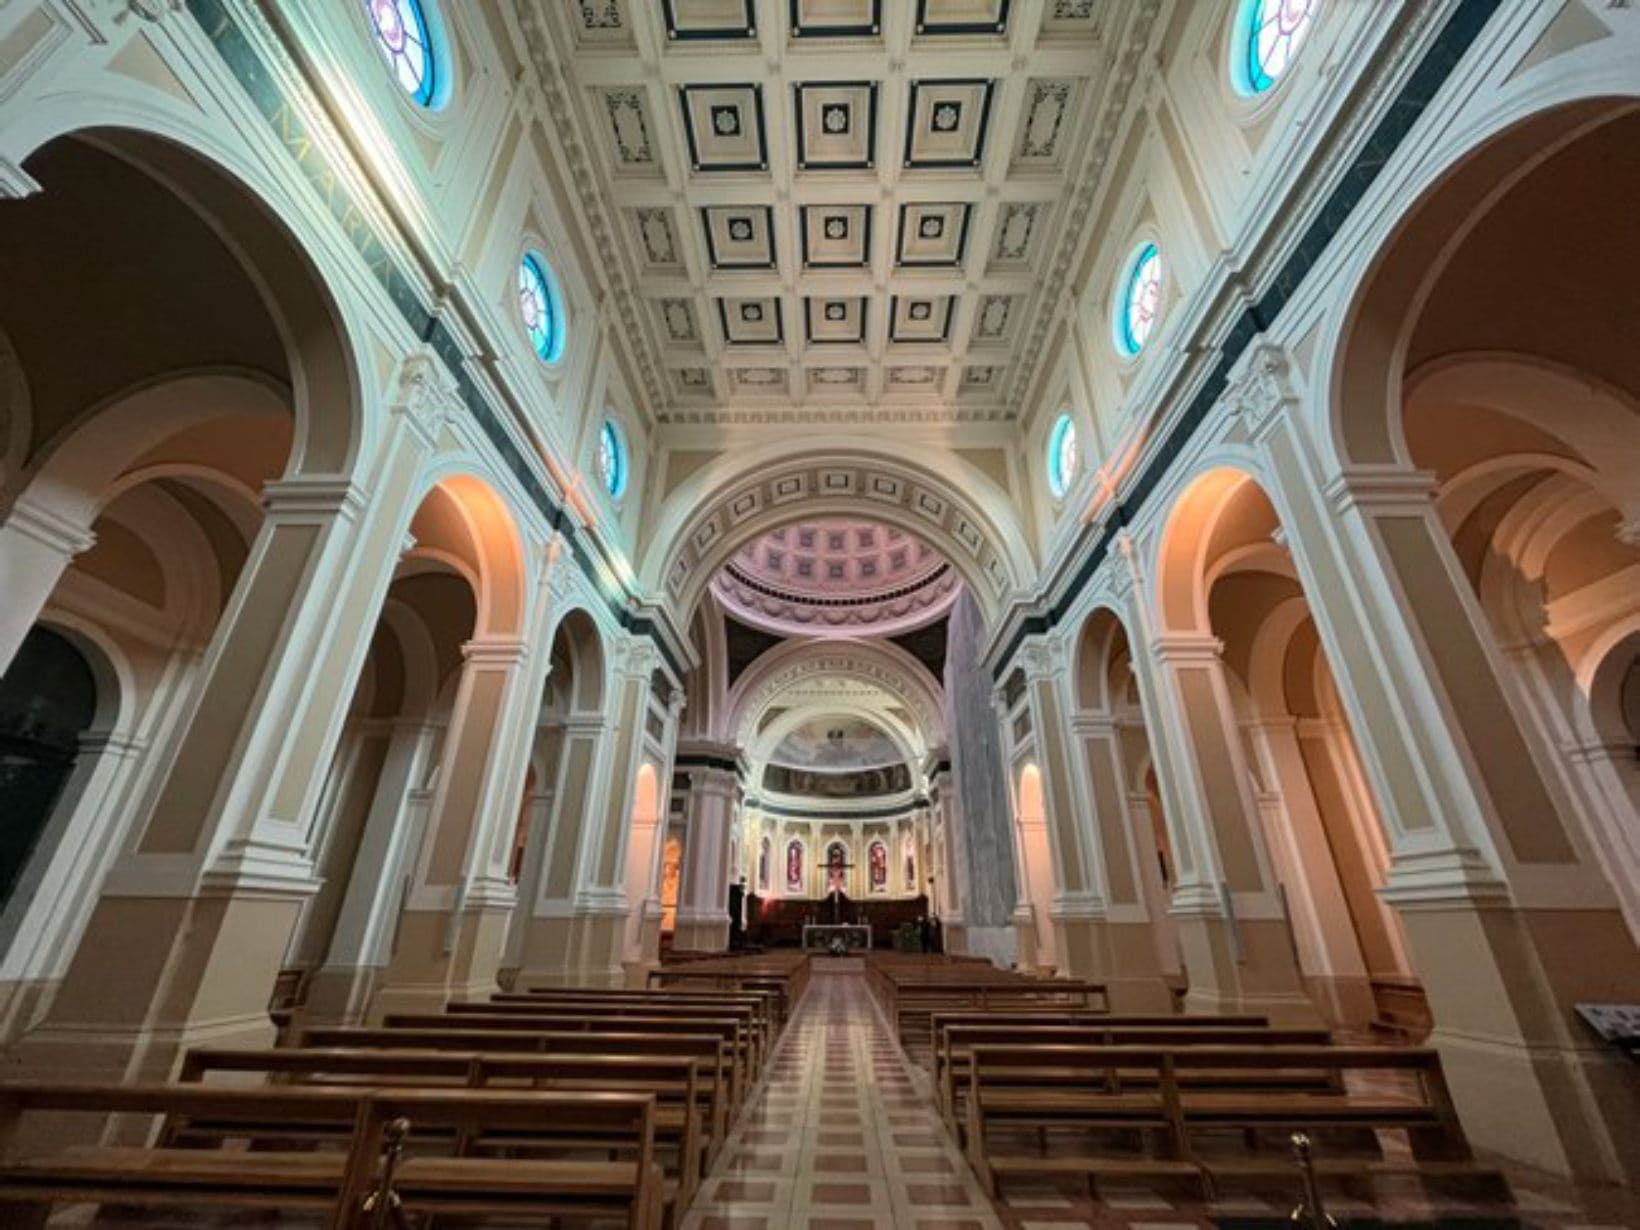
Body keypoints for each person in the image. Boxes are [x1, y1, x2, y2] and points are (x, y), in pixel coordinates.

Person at [727, 877, 746, 948]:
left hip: (735, 891)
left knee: (737, 918)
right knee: (734, 917)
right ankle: (732, 939)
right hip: (733, 890)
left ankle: (735, 938)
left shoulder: (738, 891)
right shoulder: (733, 891)